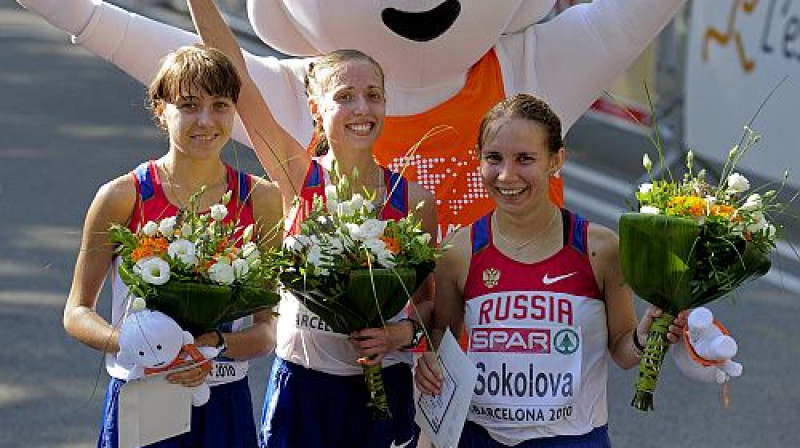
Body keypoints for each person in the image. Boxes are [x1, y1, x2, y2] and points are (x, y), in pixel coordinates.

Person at [185, 1, 439, 447]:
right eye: (344, 96)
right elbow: (238, 80)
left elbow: (431, 310)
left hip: (382, 392)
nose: (362, 107)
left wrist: (398, 334)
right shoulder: (299, 178)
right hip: (303, 388)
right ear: (316, 108)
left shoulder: (415, 201)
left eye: (373, 94)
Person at [414, 94, 686, 448]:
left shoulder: (600, 249)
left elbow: (622, 350)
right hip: (478, 438)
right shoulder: (458, 252)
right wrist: (430, 368)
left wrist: (645, 338)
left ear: (556, 160)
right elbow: (442, 342)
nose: (507, 174)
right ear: (478, 159)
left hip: (573, 439)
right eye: (494, 158)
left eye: (525, 159)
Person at [62, 45, 284, 448]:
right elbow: (77, 312)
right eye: (188, 104)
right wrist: (139, 345)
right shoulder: (122, 196)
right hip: (143, 397)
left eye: (220, 105)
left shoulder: (262, 201)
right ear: (161, 109)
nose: (206, 120)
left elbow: (267, 329)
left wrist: (214, 346)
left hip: (222, 401)